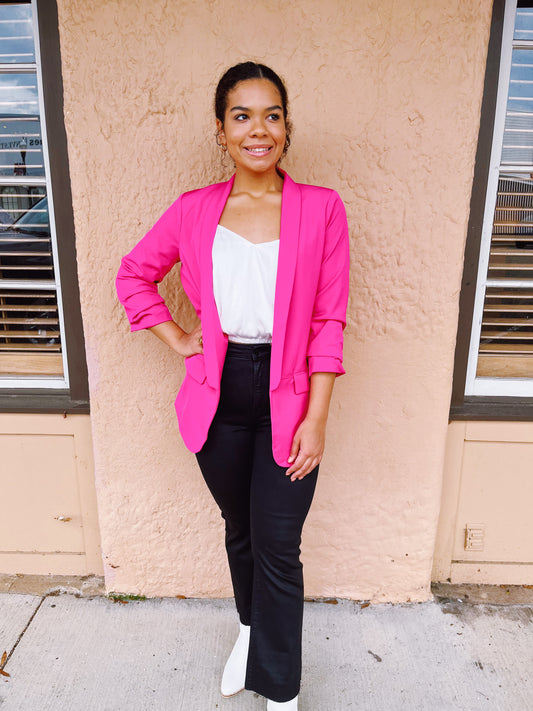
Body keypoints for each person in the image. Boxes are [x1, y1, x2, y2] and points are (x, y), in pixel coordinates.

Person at [116, 61, 349, 710]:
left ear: (286, 126)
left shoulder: (319, 209)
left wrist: (317, 417)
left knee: (278, 542)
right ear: (220, 131)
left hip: (289, 392)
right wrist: (177, 338)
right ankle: (248, 632)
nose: (258, 129)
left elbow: (329, 319)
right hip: (216, 393)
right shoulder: (194, 211)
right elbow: (133, 275)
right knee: (240, 528)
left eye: (271, 115)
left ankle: (280, 689)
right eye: (242, 116)